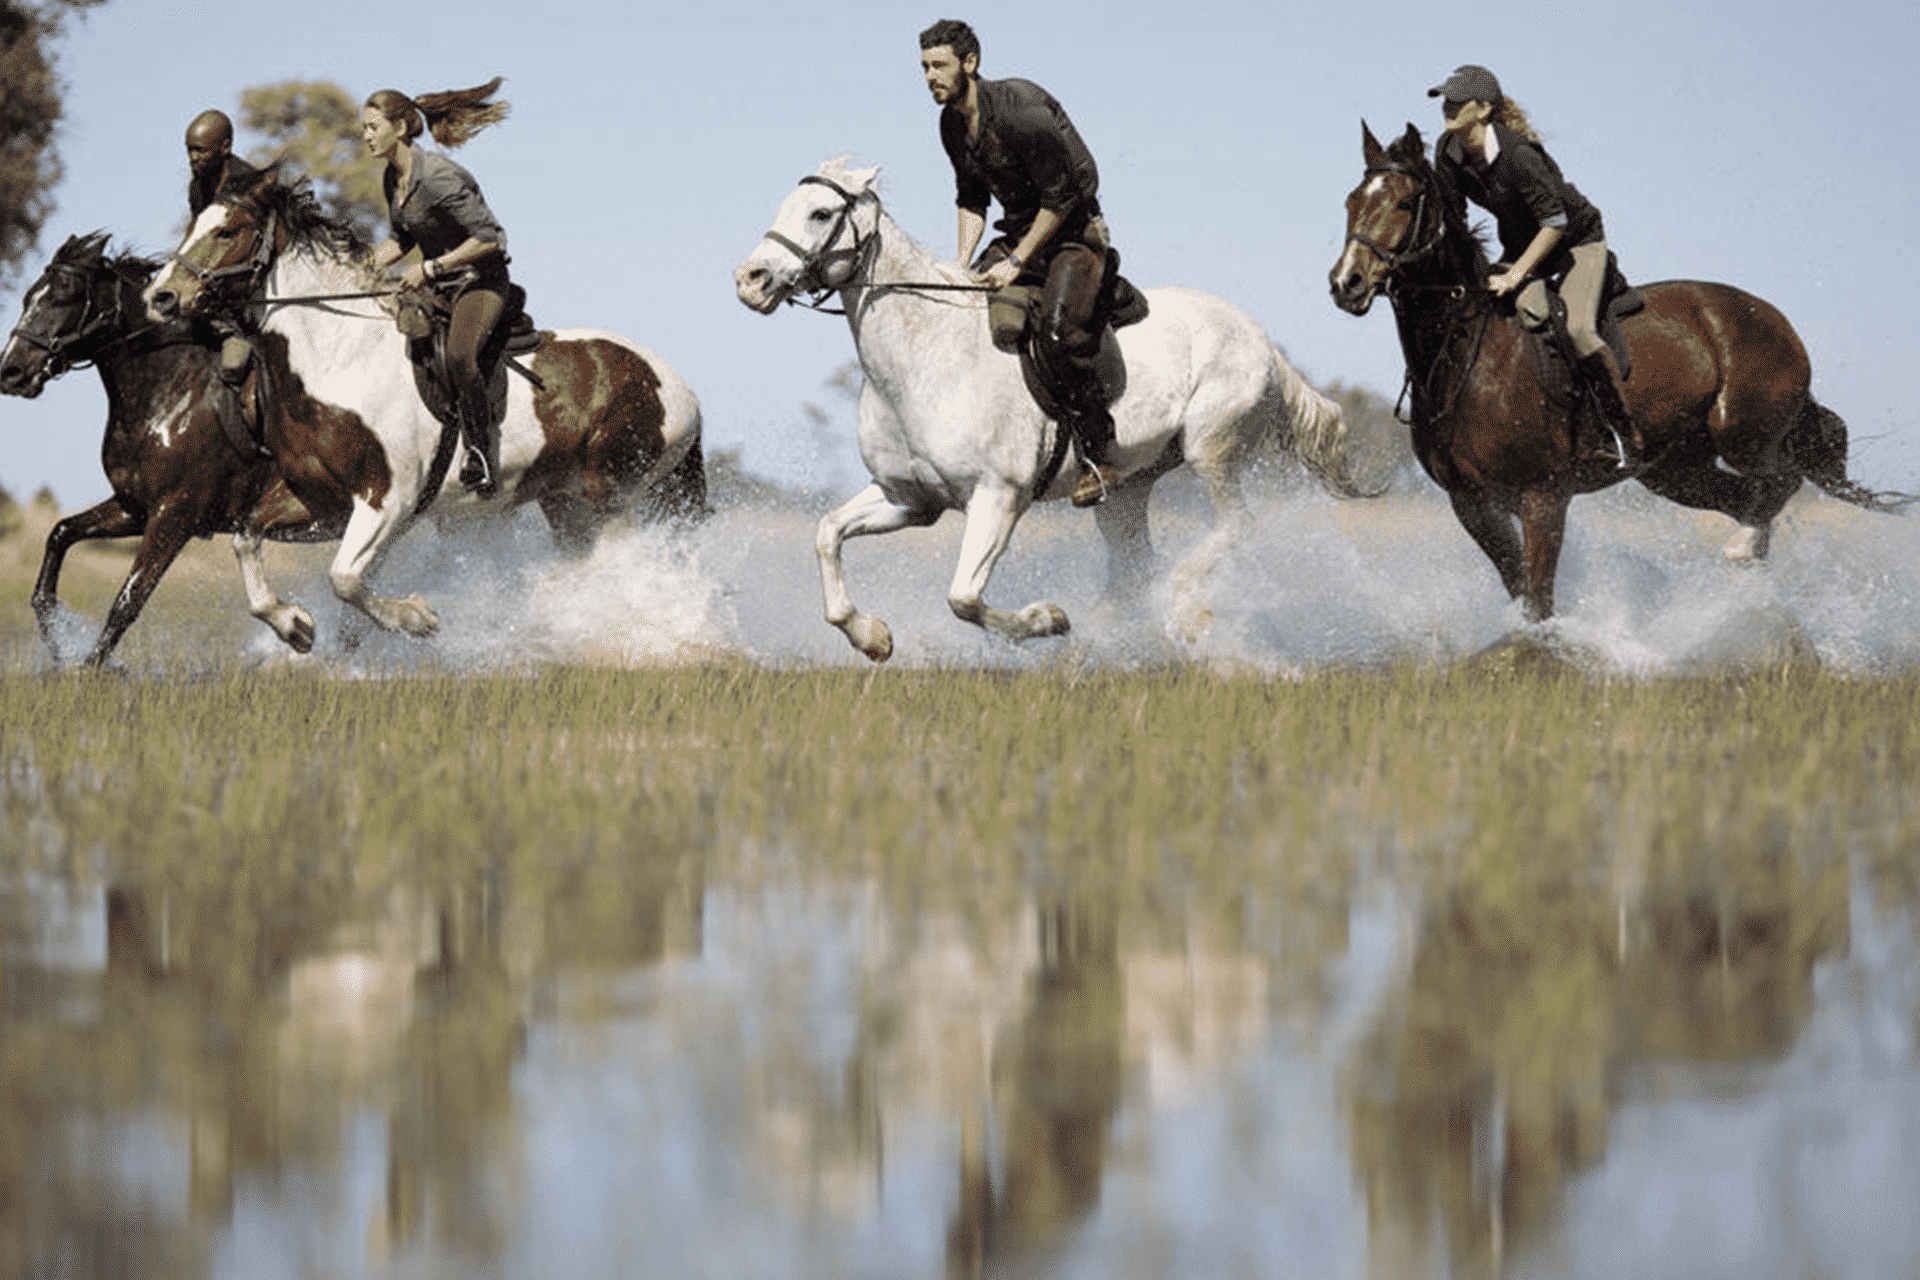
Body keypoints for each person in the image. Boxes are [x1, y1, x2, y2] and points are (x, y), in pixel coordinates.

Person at [920, 18, 1121, 507]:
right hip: (1020, 235)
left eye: (939, 65)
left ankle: (1101, 453)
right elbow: (971, 199)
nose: (930, 76)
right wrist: (961, 262)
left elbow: (1063, 194)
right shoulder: (951, 123)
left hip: (1075, 233)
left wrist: (1017, 261)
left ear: (970, 63)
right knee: (967, 310)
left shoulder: (1019, 110)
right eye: (924, 67)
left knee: (1056, 330)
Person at [1428, 64, 1643, 469]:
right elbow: (1454, 222)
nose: (1448, 106)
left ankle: (1618, 432)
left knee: (1577, 329)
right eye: (1445, 99)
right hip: (1525, 245)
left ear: (1483, 109)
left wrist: (1513, 274)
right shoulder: (1447, 151)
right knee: (1520, 314)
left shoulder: (1518, 156)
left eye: (1458, 100)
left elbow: (1555, 222)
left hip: (1575, 242)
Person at [362, 78, 513, 497]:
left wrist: (430, 268)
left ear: (401, 128)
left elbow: (489, 237)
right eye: (364, 128)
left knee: (461, 355)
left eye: (373, 127)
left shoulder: (440, 176)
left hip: (482, 282)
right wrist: (361, 267)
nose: (366, 136)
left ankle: (482, 456)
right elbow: (401, 239)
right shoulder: (393, 178)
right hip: (441, 287)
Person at [184, 110, 263, 429]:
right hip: (216, 285)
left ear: (225, 147)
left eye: (200, 150)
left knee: (234, 362)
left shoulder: (248, 186)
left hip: (248, 290)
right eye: (189, 149)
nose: (192, 158)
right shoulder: (198, 187)